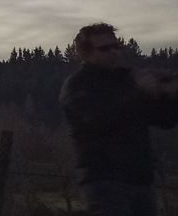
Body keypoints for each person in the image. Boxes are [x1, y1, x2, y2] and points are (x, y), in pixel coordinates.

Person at [61, 23, 176, 216]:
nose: (113, 52)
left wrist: (169, 96)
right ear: (85, 53)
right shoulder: (77, 85)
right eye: (105, 48)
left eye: (116, 46)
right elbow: (98, 117)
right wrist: (138, 91)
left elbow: (164, 120)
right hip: (104, 181)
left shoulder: (127, 79)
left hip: (141, 181)